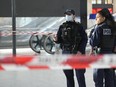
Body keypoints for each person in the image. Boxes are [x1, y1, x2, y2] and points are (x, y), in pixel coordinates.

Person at [54, 9, 88, 87]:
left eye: (69, 14)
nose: (68, 16)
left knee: (80, 76)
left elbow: (84, 39)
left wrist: (80, 51)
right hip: (66, 53)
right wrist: (55, 40)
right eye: (67, 14)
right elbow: (59, 40)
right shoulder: (62, 27)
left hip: (77, 53)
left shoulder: (79, 26)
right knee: (68, 76)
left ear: (74, 16)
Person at [89, 8, 116, 87]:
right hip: (111, 55)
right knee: (110, 78)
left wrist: (92, 35)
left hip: (100, 55)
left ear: (103, 18)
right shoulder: (114, 27)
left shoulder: (99, 28)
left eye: (97, 17)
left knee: (98, 78)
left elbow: (94, 42)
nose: (96, 19)